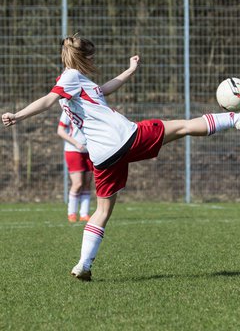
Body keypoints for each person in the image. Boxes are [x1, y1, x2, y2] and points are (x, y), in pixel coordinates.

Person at [2, 33, 240, 281]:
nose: (94, 61)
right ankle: (234, 119)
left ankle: (83, 264)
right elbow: (48, 100)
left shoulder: (78, 83)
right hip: (124, 137)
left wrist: (129, 70)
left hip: (102, 156)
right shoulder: (70, 78)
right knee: (182, 127)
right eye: (92, 57)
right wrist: (18, 116)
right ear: (82, 57)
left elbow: (104, 89)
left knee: (102, 211)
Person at [57, 110, 93, 223]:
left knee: (87, 183)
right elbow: (60, 131)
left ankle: (84, 214)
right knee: (78, 184)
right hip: (73, 150)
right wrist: (76, 143)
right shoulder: (68, 110)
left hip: (90, 150)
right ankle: (71, 213)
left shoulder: (90, 108)